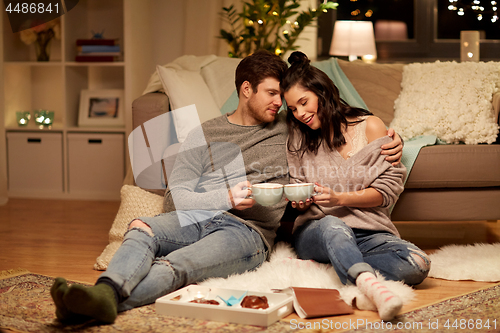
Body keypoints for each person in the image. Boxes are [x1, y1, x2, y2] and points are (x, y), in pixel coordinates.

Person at [50, 50, 404, 325]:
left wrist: (392, 137)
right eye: (271, 94)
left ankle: (94, 305)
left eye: (282, 97)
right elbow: (176, 198)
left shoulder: (287, 126)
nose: (280, 104)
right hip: (199, 215)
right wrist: (224, 196)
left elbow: (331, 118)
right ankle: (106, 294)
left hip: (247, 231)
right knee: (141, 227)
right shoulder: (205, 132)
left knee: (177, 264)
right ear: (245, 89)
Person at [281, 51, 430, 321]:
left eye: (304, 102)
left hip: (369, 232)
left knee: (418, 265)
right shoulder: (298, 139)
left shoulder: (370, 127)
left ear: (322, 92)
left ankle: (334, 263)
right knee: (334, 227)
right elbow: (297, 187)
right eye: (293, 108)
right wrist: (300, 200)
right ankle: (371, 289)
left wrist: (340, 198)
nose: (300, 113)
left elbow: (387, 191)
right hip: (318, 230)